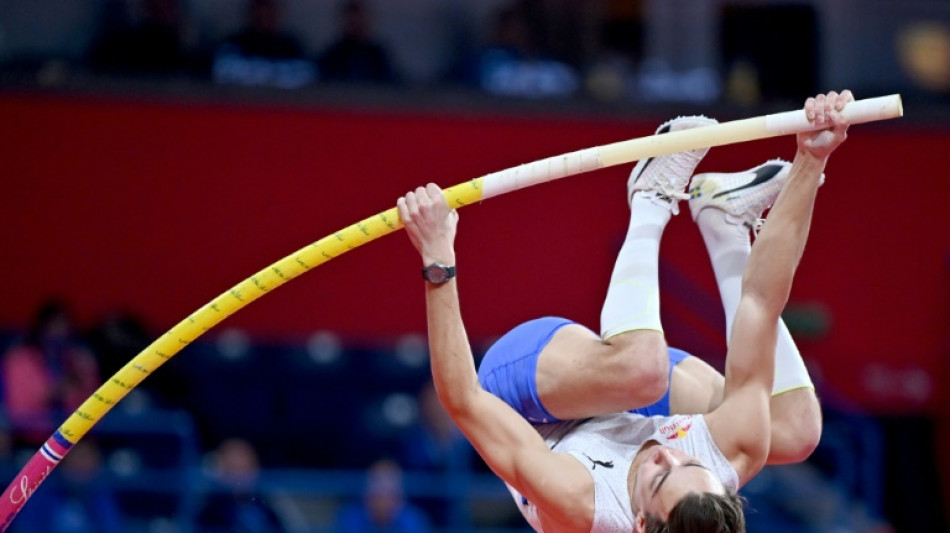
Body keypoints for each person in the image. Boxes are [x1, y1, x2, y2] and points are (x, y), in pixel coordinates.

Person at [396, 90, 853, 532]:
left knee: (642, 371)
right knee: (793, 429)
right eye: (690, 462)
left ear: (639, 524)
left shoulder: (580, 500)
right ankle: (726, 223)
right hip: (627, 408)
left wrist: (437, 258)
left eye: (661, 475)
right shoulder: (729, 454)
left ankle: (649, 197)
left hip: (529, 402)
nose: (666, 451)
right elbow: (760, 303)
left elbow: (464, 399)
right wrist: (811, 160)